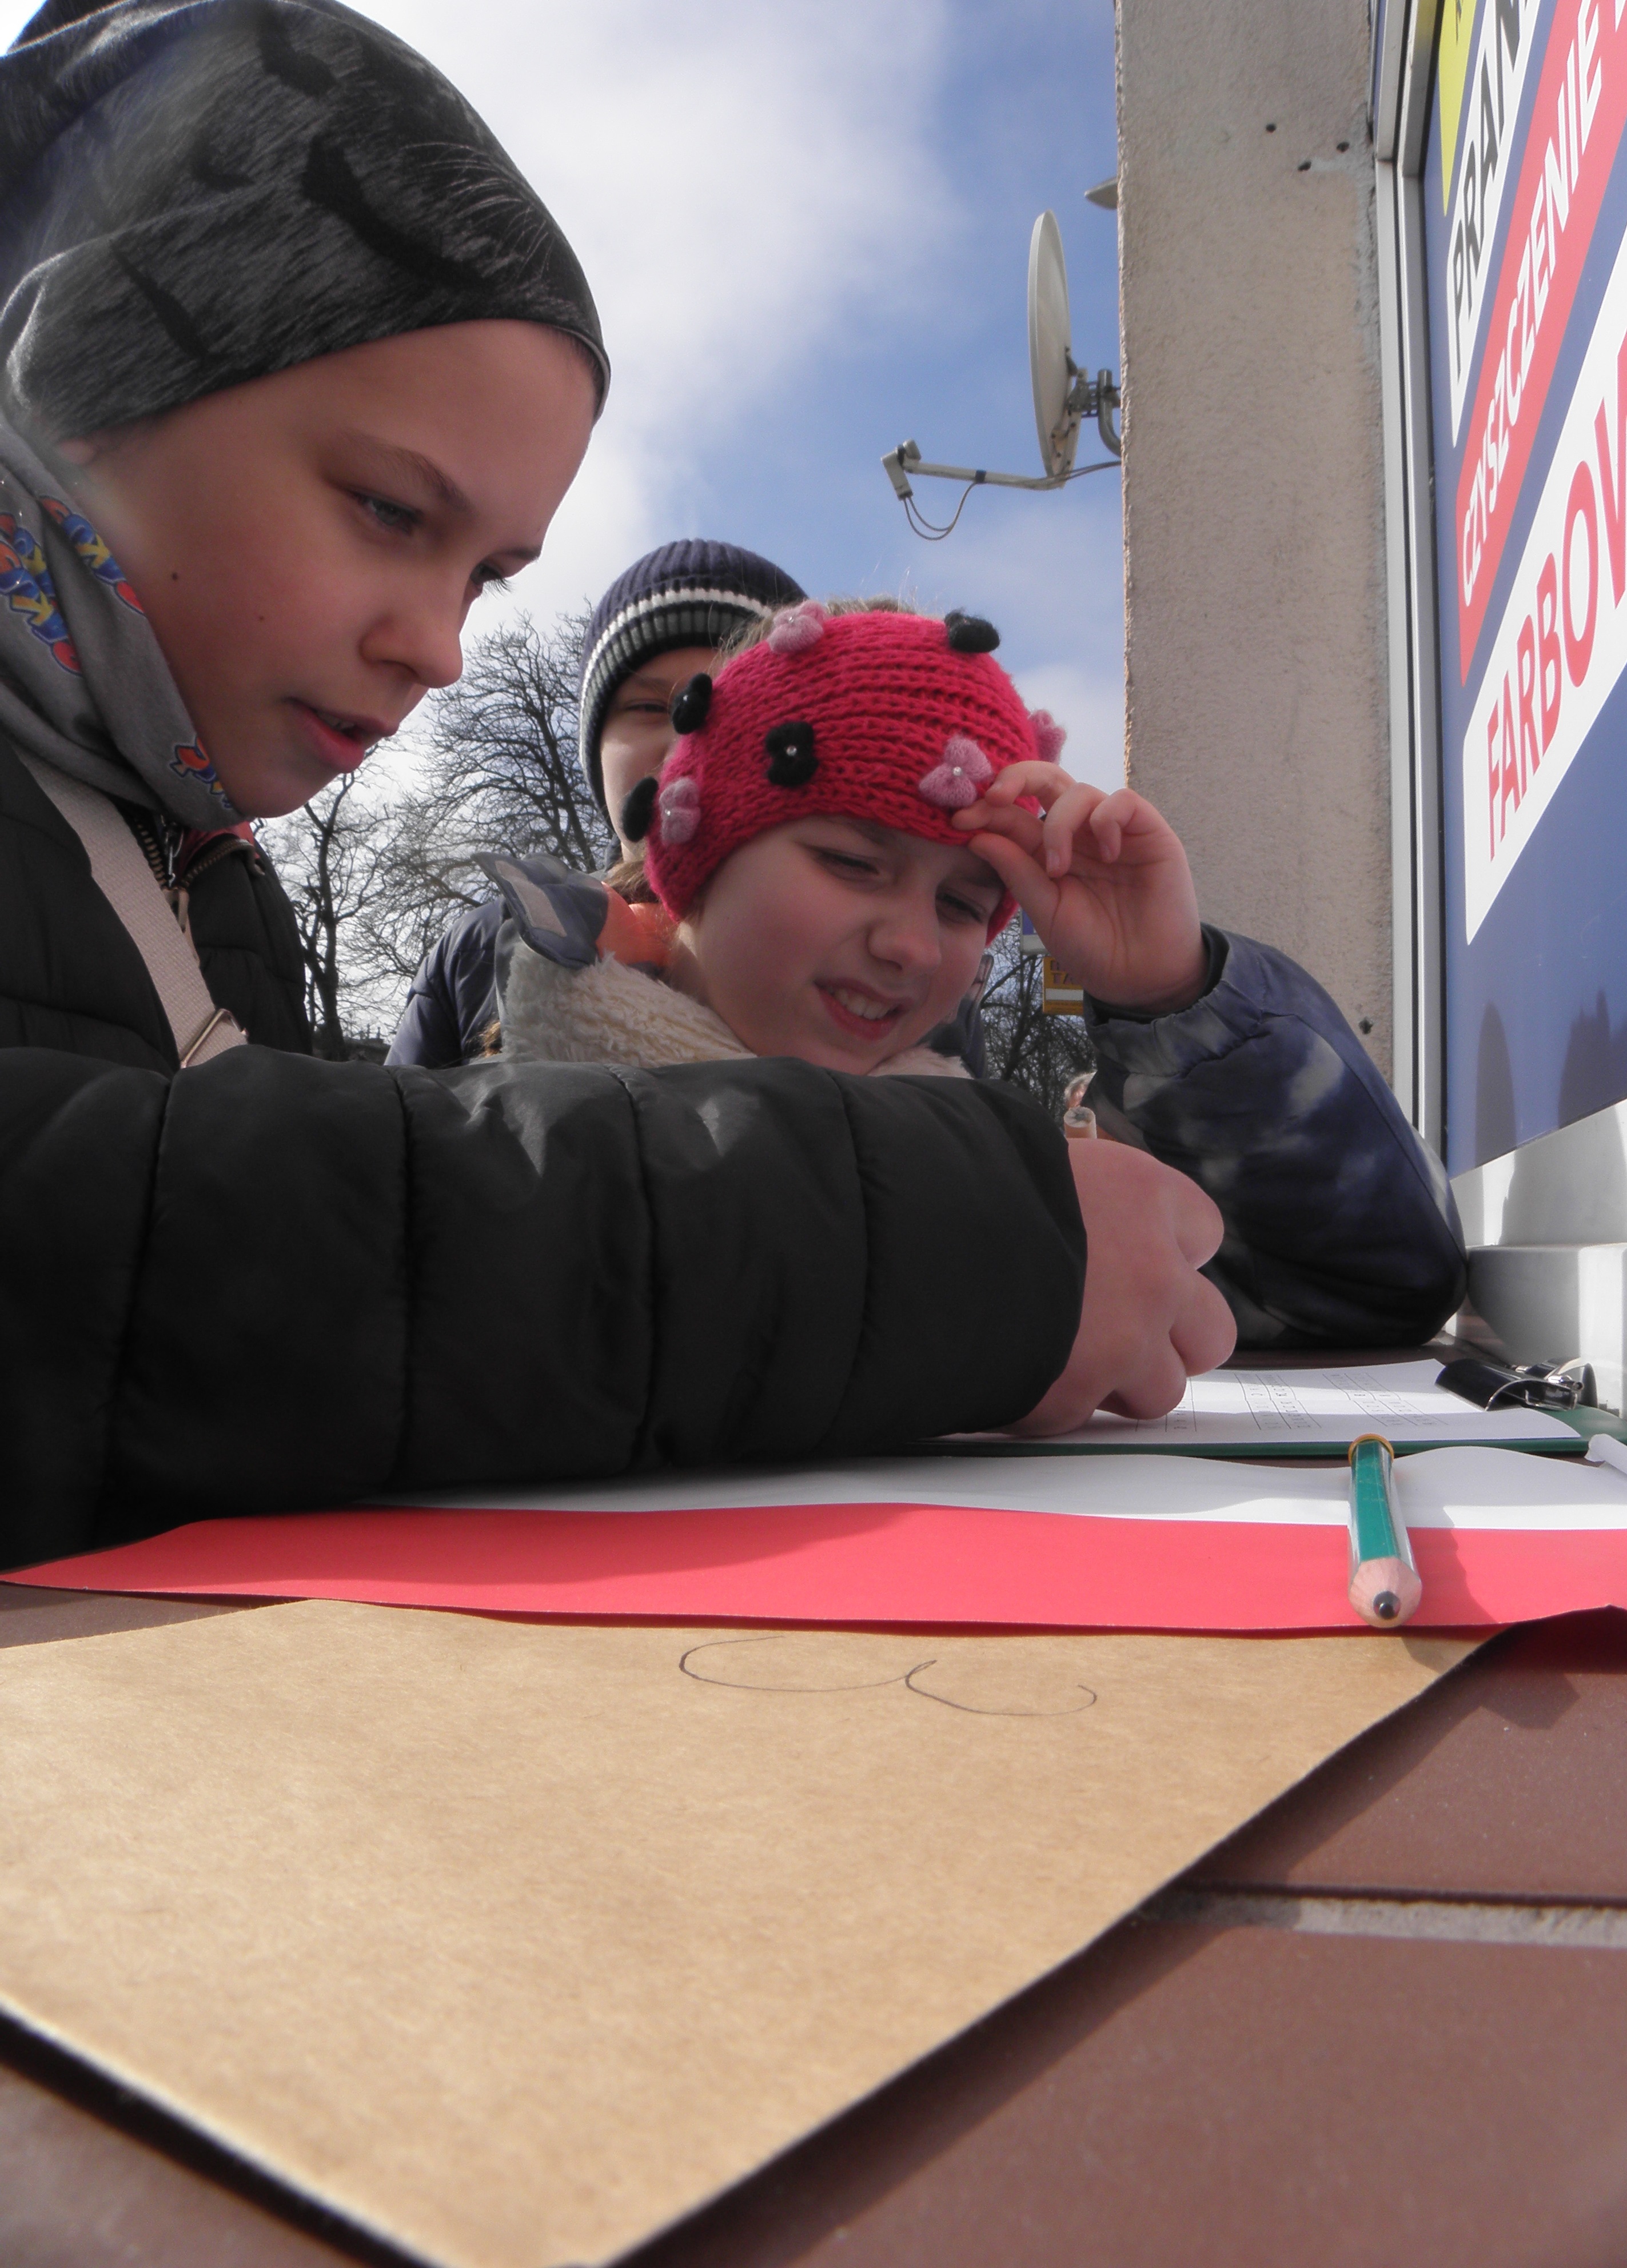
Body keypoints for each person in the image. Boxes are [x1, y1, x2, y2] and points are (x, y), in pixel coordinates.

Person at [0, 0, 1225, 1571]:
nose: (440, 648)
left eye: (491, 576)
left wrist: (1168, 999)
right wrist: (904, 1248)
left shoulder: (196, 867)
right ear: (77, 370)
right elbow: (101, 1255)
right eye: (387, 508)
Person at [479, 599, 1468, 1349]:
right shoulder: (497, 1129)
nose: (912, 944)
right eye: (853, 863)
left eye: (962, 904)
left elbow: (1379, 1288)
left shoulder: (981, 1156)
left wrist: (1173, 994)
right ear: (692, 860)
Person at [388, 538, 804, 1069]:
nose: (685, 749)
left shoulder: (896, 960)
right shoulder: (477, 952)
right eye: (651, 707)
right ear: (596, 751)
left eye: (735, 712)